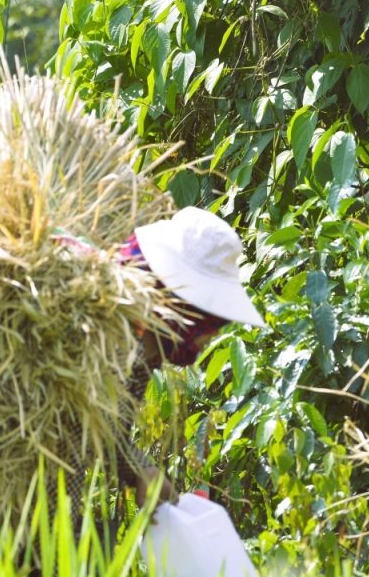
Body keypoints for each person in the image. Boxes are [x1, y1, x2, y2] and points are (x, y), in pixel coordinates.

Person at [49, 206, 266, 526]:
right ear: (184, 308)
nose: (211, 337)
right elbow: (60, 445)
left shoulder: (142, 350)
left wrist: (141, 469)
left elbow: (108, 429)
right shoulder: (93, 327)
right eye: (211, 322)